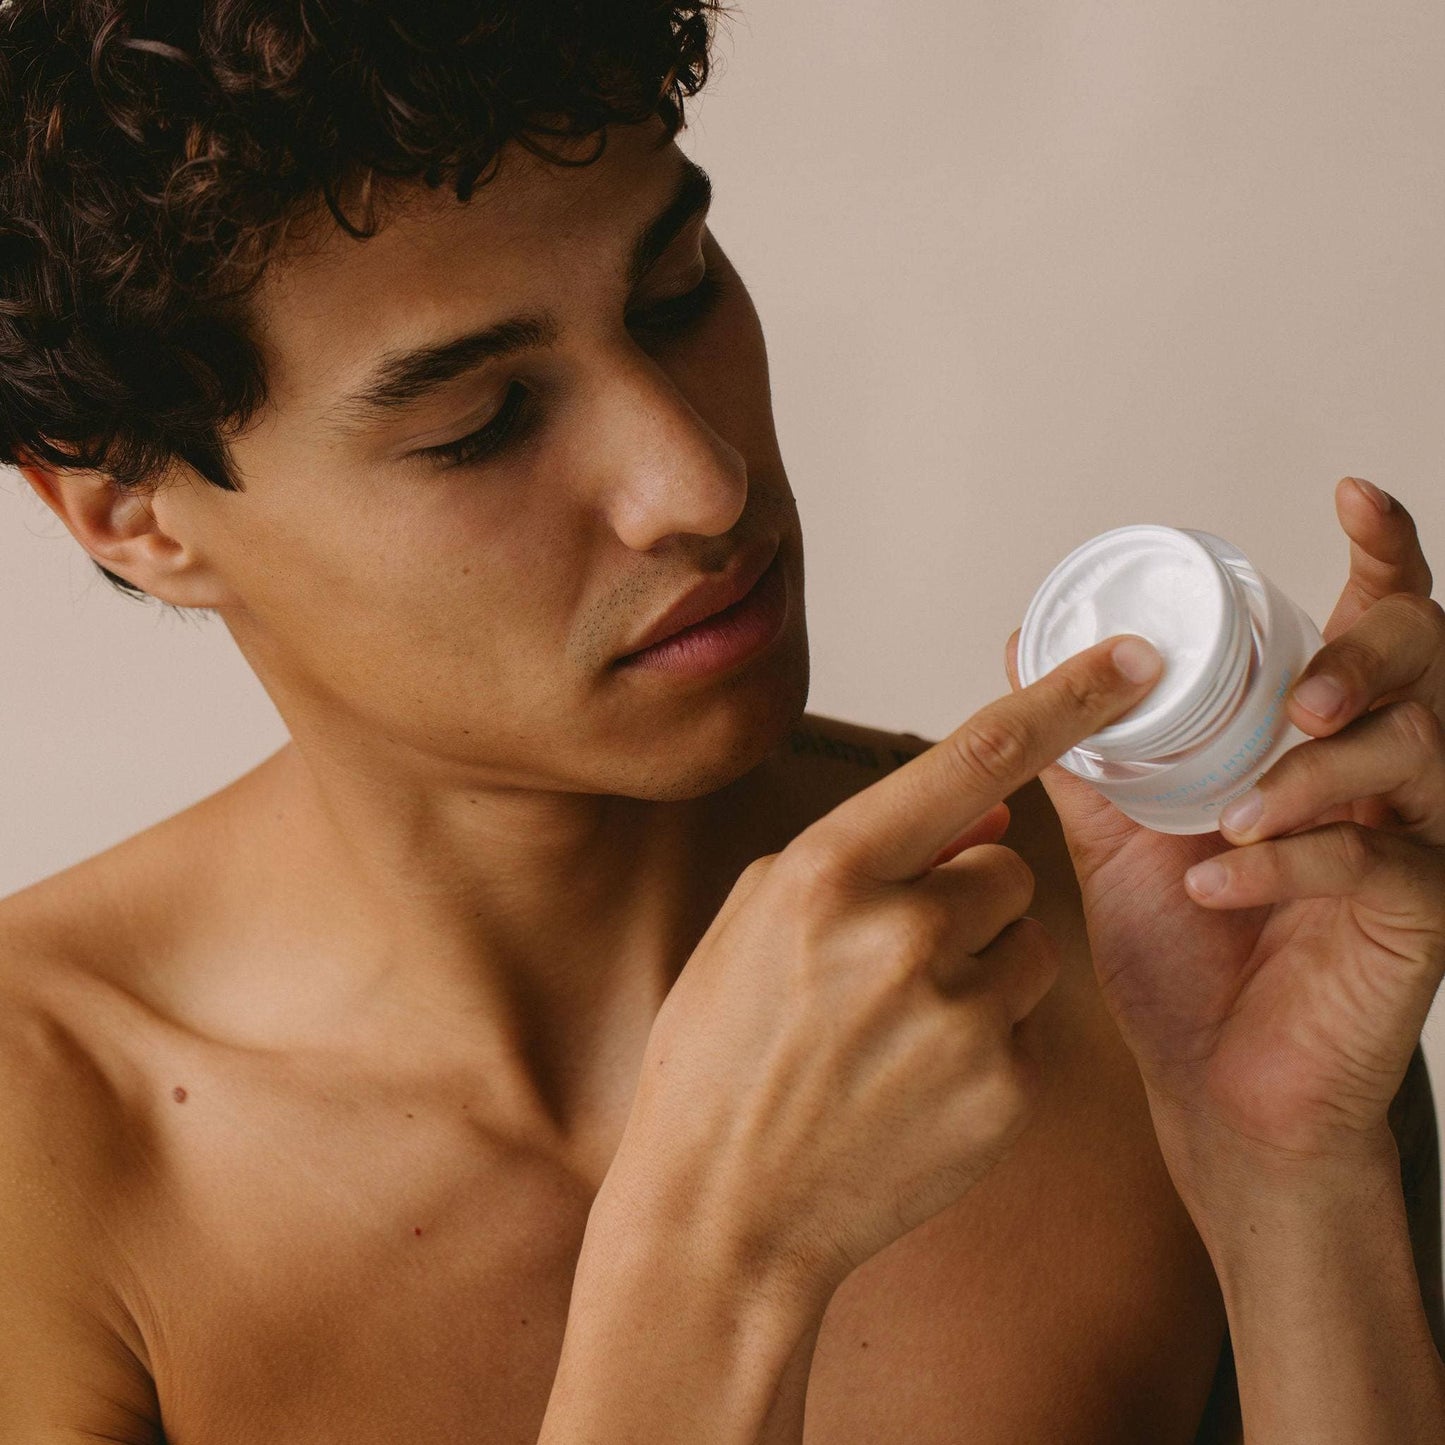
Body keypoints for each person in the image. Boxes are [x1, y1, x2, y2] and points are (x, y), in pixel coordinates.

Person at [0, 3, 1440, 1441]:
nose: (694, 478)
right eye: (483, 420)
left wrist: (1285, 1181)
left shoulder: (1152, 959)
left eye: (676, 291)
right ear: (128, 513)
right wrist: (714, 1270)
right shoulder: (42, 1146)